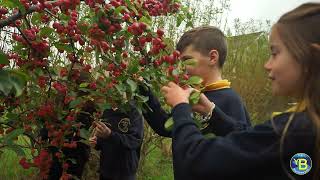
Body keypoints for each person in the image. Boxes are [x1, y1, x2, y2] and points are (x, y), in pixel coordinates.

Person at [161, 3, 320, 180]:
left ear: (310, 58)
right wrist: (212, 112)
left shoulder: (294, 132)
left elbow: (198, 159)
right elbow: (247, 137)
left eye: (275, 53)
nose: (267, 65)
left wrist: (180, 107)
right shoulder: (306, 125)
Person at [142, 26, 251, 138]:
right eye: (179, 61)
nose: (181, 67)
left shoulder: (231, 100)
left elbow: (243, 144)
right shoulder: (194, 96)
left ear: (212, 58)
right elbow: (165, 126)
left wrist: (212, 113)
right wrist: (143, 89)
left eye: (186, 60)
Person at [89, 101, 144, 180]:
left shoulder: (134, 111)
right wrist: (96, 143)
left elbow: (135, 140)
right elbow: (104, 139)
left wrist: (110, 135)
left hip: (125, 172)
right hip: (106, 170)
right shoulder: (106, 111)